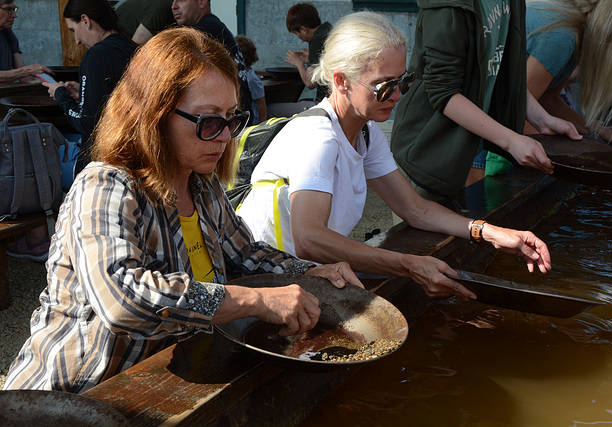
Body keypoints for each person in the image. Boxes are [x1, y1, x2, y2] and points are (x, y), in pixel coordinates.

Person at [2, 27, 361, 393]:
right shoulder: (105, 186)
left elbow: (246, 254)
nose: (225, 136)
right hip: (77, 395)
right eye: (209, 121)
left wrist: (311, 271)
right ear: (153, 115)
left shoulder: (200, 184)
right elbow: (123, 301)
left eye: (232, 118)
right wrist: (254, 299)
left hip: (161, 382)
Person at [237, 11, 552, 300]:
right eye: (384, 87)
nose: (398, 96)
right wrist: (408, 264)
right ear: (341, 81)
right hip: (263, 281)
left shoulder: (364, 130)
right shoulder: (318, 138)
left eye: (403, 81)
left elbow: (414, 208)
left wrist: (488, 232)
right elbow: (309, 237)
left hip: (305, 275)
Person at [390, 0, 582, 204]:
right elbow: (443, 92)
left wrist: (542, 119)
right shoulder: (448, 5)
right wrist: (511, 141)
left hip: (464, 154)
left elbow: (499, 72)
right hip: (427, 152)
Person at [525, 0, 612, 150]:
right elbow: (515, 108)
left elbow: (548, 99)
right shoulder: (563, 35)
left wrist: (596, 130)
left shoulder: (580, 39)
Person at [41, 0, 136, 175]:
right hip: (134, 156)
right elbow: (115, 98)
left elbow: (86, 122)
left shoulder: (96, 56)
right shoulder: (132, 48)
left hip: (101, 164)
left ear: (85, 20)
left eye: (73, 31)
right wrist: (84, 92)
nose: (76, 41)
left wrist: (61, 94)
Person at [172, 0, 253, 118]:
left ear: (202, 2)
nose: (174, 6)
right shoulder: (215, 26)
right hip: (238, 118)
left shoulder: (201, 33)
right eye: (172, 1)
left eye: (181, 0)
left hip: (230, 121)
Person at [267, 2, 332, 118]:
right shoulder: (328, 30)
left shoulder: (317, 39)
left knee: (269, 110)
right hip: (333, 101)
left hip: (325, 104)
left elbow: (310, 82)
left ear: (303, 29)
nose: (300, 38)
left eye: (296, 33)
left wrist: (298, 62)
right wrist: (310, 59)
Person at [0, 0, 52, 83]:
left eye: (14, 10)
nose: (14, 15)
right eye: (8, 10)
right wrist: (27, 71)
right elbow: (24, 71)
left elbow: (22, 71)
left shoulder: (8, 33)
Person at [236, 34, 266, 125]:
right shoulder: (240, 74)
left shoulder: (251, 79)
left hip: (252, 123)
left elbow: (261, 103)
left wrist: (261, 125)